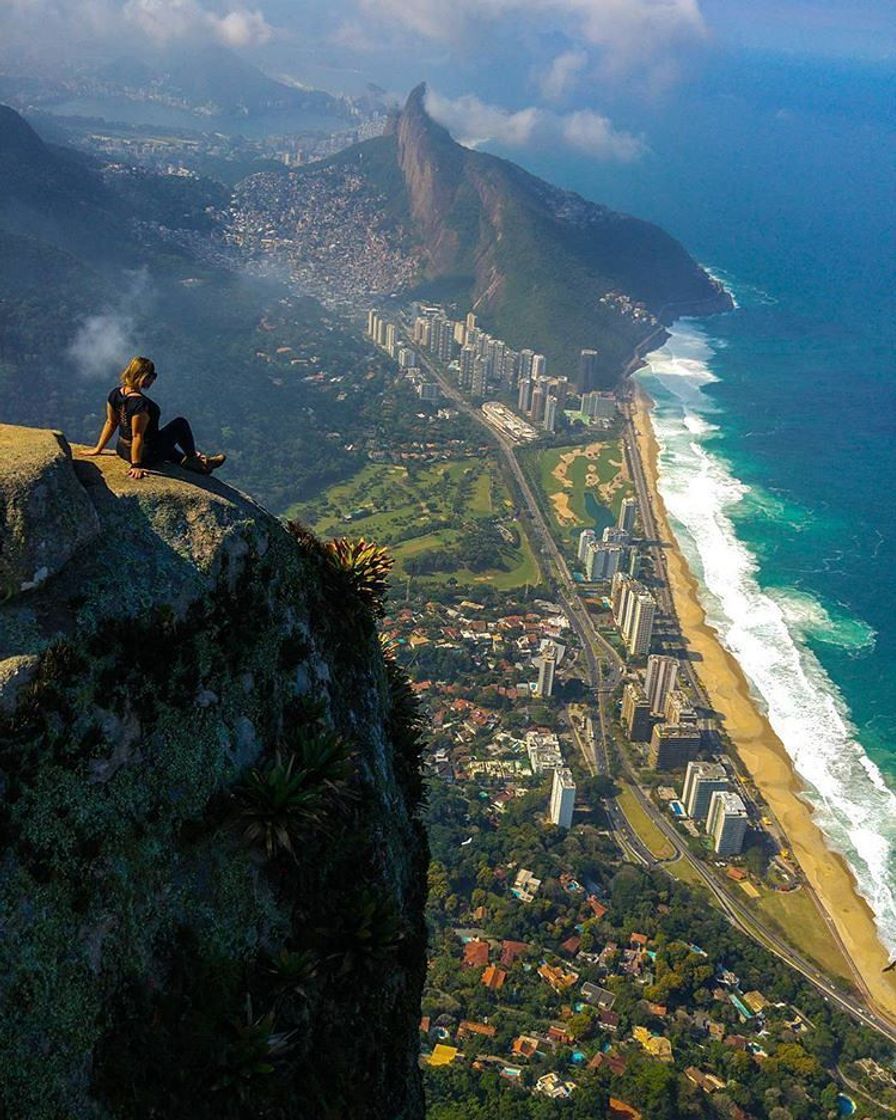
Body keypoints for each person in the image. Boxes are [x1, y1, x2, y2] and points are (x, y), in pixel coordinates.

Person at [84, 356, 226, 480]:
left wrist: (98, 449)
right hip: (144, 454)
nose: (153, 380)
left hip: (122, 449)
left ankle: (197, 463)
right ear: (144, 377)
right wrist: (136, 465)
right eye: (153, 376)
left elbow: (111, 422)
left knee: (163, 442)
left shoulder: (115, 394)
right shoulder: (140, 404)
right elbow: (137, 436)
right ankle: (194, 459)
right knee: (180, 424)